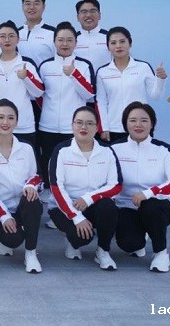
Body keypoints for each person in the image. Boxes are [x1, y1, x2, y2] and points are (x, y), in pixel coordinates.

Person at [48, 106, 122, 270]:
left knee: (108, 206)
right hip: (65, 207)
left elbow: (116, 185)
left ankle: (103, 251)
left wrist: (89, 198)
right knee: (81, 238)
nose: (84, 127)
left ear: (97, 127)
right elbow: (56, 187)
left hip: (93, 204)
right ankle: (72, 240)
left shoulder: (107, 151)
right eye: (79, 122)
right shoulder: (61, 150)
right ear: (72, 125)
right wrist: (76, 217)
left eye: (89, 123)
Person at [113, 102, 170, 272]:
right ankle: (140, 235)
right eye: (133, 120)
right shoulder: (114, 149)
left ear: (152, 124)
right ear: (125, 124)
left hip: (159, 204)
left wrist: (149, 193)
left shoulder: (163, 149)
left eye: (144, 120)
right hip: (126, 206)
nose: (138, 125)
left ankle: (161, 253)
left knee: (150, 207)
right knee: (130, 244)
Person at [0, 99, 43, 273]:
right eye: (1, 117)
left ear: (17, 121)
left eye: (10, 118)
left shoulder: (26, 148)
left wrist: (31, 186)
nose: (5, 122)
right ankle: (5, 239)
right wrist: (4, 216)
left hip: (24, 205)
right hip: (0, 209)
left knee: (32, 202)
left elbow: (36, 176)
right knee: (13, 240)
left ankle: (31, 253)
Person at [37, 22, 95, 187]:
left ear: (76, 42)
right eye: (61, 40)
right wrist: (48, 111)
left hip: (73, 127)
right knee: (48, 160)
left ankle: (73, 191)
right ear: (54, 41)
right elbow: (39, 95)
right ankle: (48, 189)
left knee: (73, 162)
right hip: (48, 125)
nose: (65, 44)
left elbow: (89, 95)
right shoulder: (45, 66)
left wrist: (74, 74)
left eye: (69, 40)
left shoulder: (84, 65)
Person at [96, 26, 167, 143]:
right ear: (108, 47)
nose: (118, 46)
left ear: (130, 44)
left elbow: (156, 96)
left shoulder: (143, 67)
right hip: (115, 128)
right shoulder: (102, 72)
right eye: (113, 43)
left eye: (122, 41)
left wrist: (160, 79)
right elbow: (101, 102)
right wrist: (104, 128)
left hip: (140, 126)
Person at [0, 21, 44, 147]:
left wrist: (27, 77)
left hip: (23, 126)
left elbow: (38, 93)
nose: (7, 40)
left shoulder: (27, 63)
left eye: (11, 36)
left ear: (18, 39)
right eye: (2, 36)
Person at [17, 0, 55, 68]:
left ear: (44, 7)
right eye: (28, 4)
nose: (32, 7)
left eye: (36, 4)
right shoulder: (15, 34)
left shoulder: (54, 34)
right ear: (22, 7)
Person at [74, 0, 111, 72]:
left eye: (93, 11)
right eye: (84, 12)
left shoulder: (110, 37)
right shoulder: (72, 39)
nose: (88, 15)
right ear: (77, 17)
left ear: (99, 15)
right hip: (78, 79)